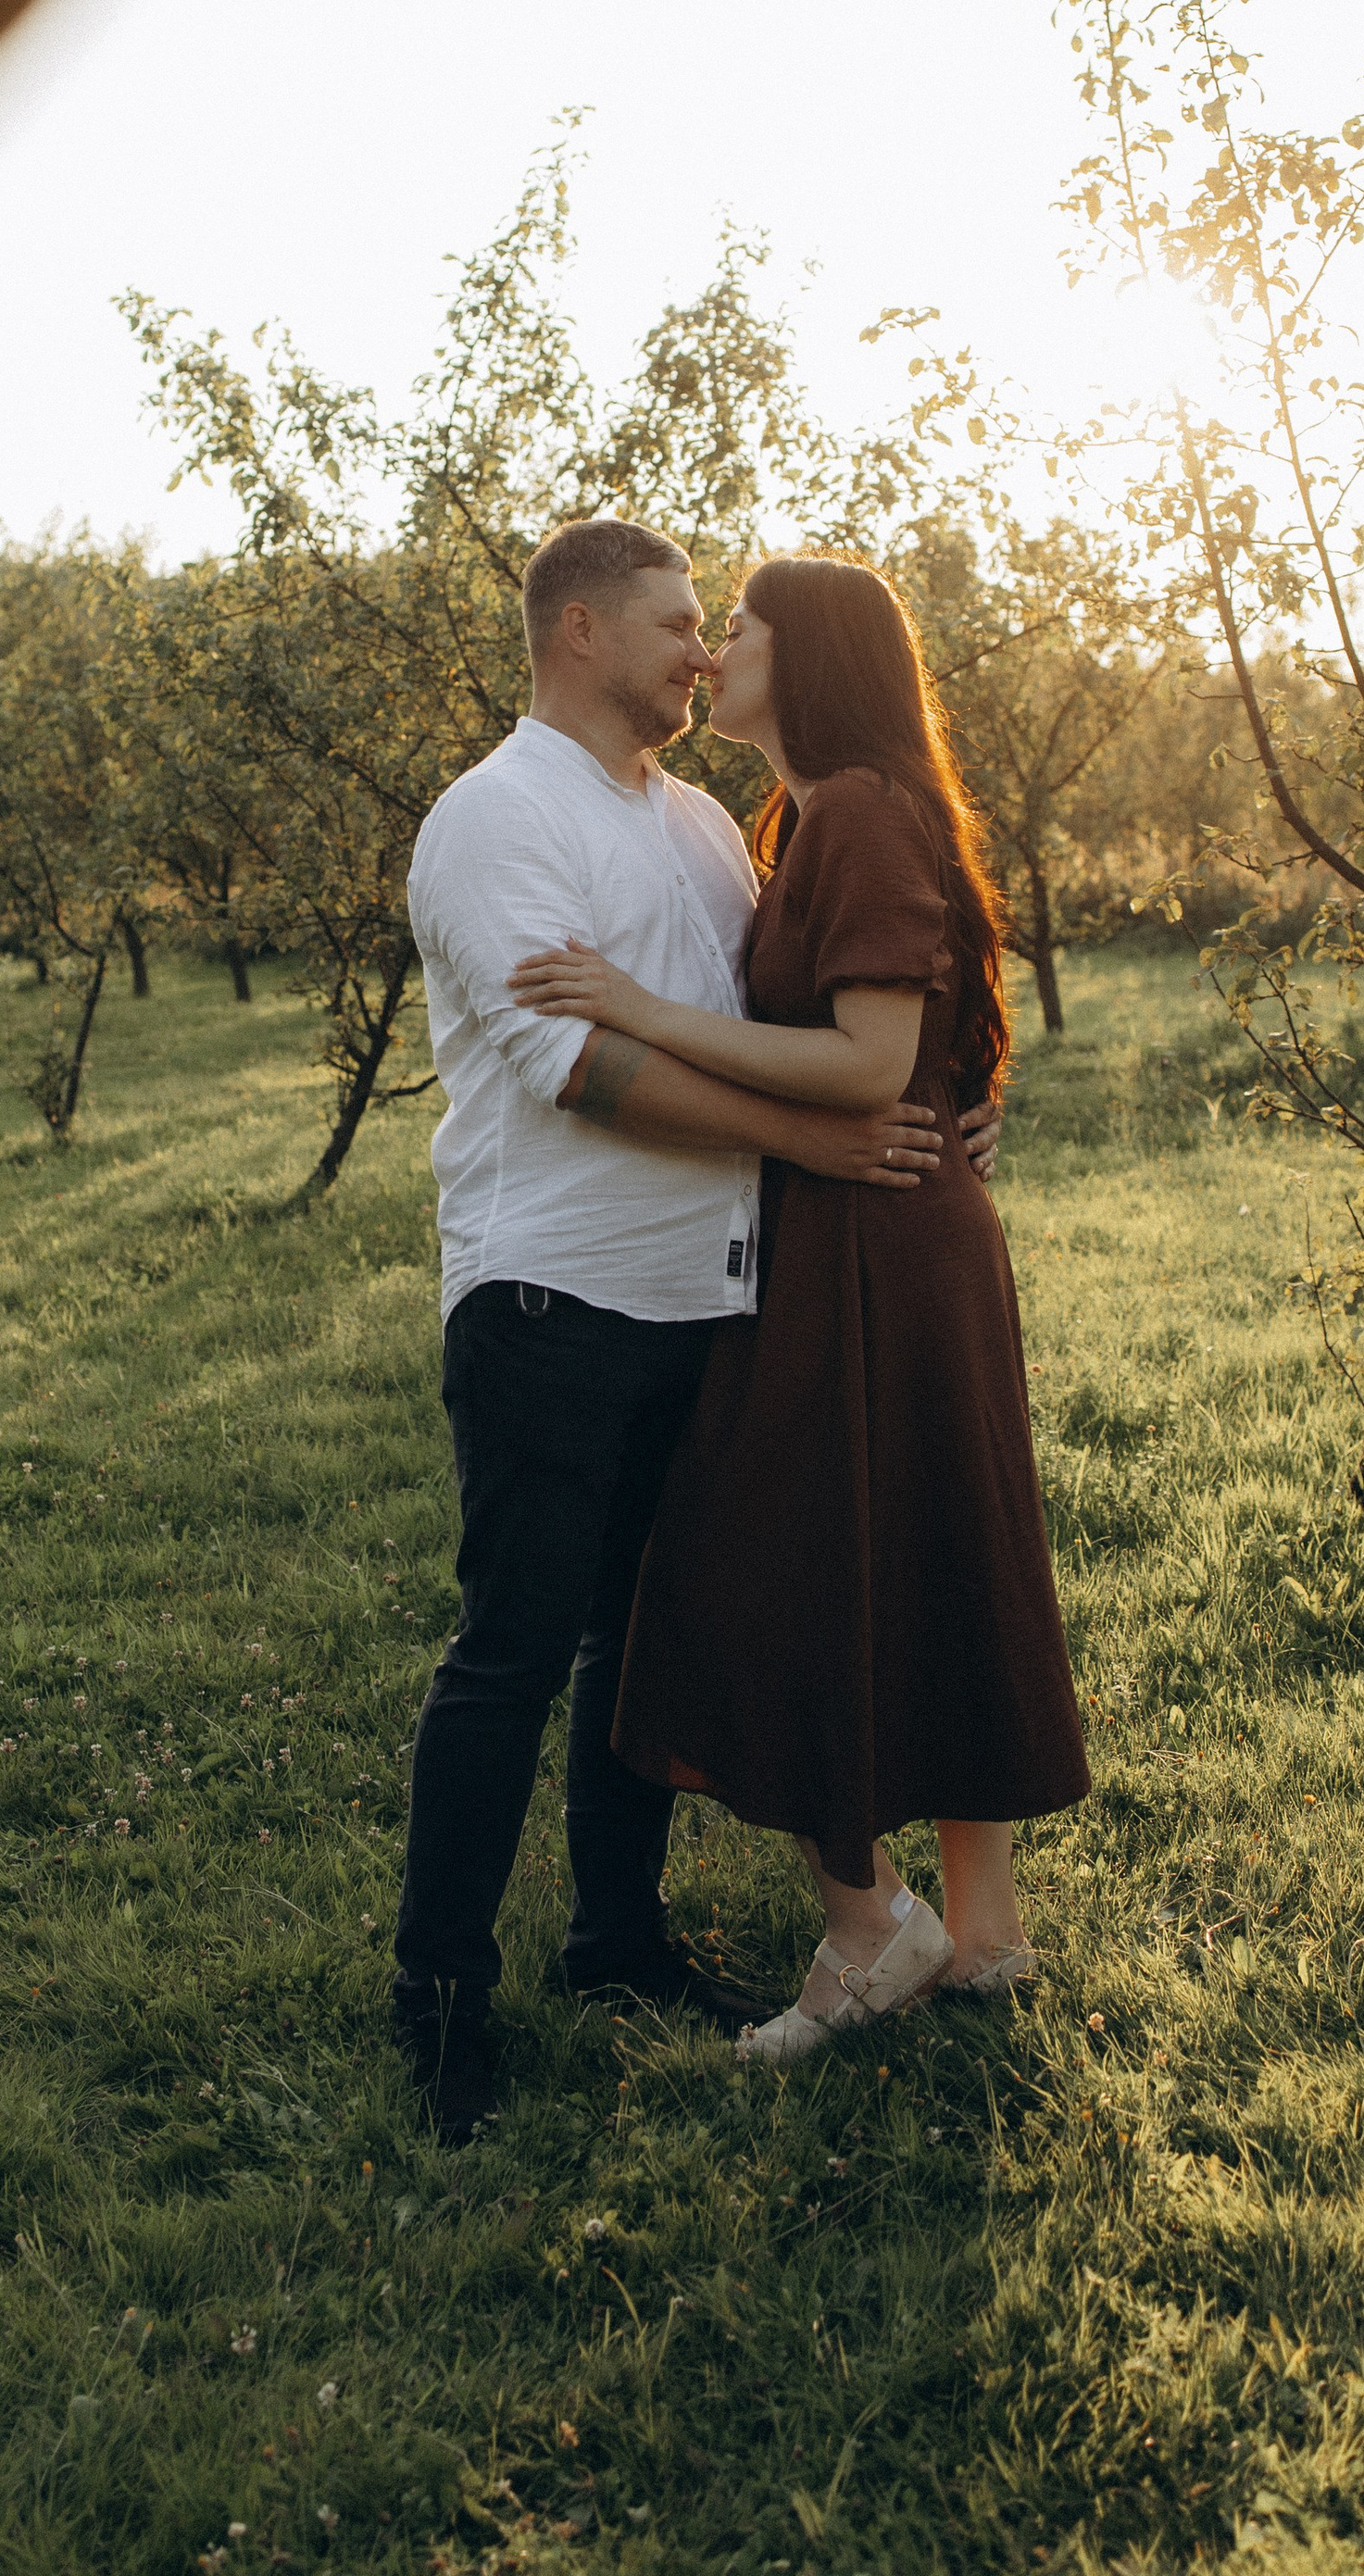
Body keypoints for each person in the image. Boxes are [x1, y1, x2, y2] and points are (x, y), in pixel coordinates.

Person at [394, 519, 1002, 2142]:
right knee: (514, 1651)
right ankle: (440, 2005)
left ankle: (617, 1944)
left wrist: (945, 1105)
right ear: (579, 631)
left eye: (710, 625)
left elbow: (810, 1021)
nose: (700, 650)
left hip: (714, 1295)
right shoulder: (492, 817)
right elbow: (577, 1070)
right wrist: (826, 1141)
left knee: (634, 1647)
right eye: (674, 623)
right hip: (552, 1291)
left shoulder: (705, 826)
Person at [508, 555, 1089, 2062]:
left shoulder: (857, 813)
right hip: (871, 1229)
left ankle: (875, 1928)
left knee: (787, 1559)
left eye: (740, 629)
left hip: (872, 1241)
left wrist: (634, 1009)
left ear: (809, 655)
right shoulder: (808, 816)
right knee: (925, 1544)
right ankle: (980, 1934)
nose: (712, 655)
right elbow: (914, 1040)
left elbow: (871, 1063)